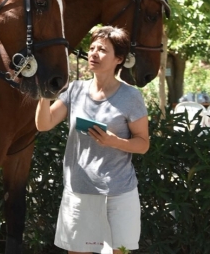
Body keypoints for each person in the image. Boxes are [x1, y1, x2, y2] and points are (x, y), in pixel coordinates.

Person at [35, 26, 150, 253]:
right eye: (92, 48)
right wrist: (43, 95)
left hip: (118, 195)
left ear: (119, 58)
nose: (94, 53)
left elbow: (143, 144)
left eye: (103, 50)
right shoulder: (75, 90)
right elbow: (44, 124)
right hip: (78, 193)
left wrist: (113, 141)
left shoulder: (131, 97)